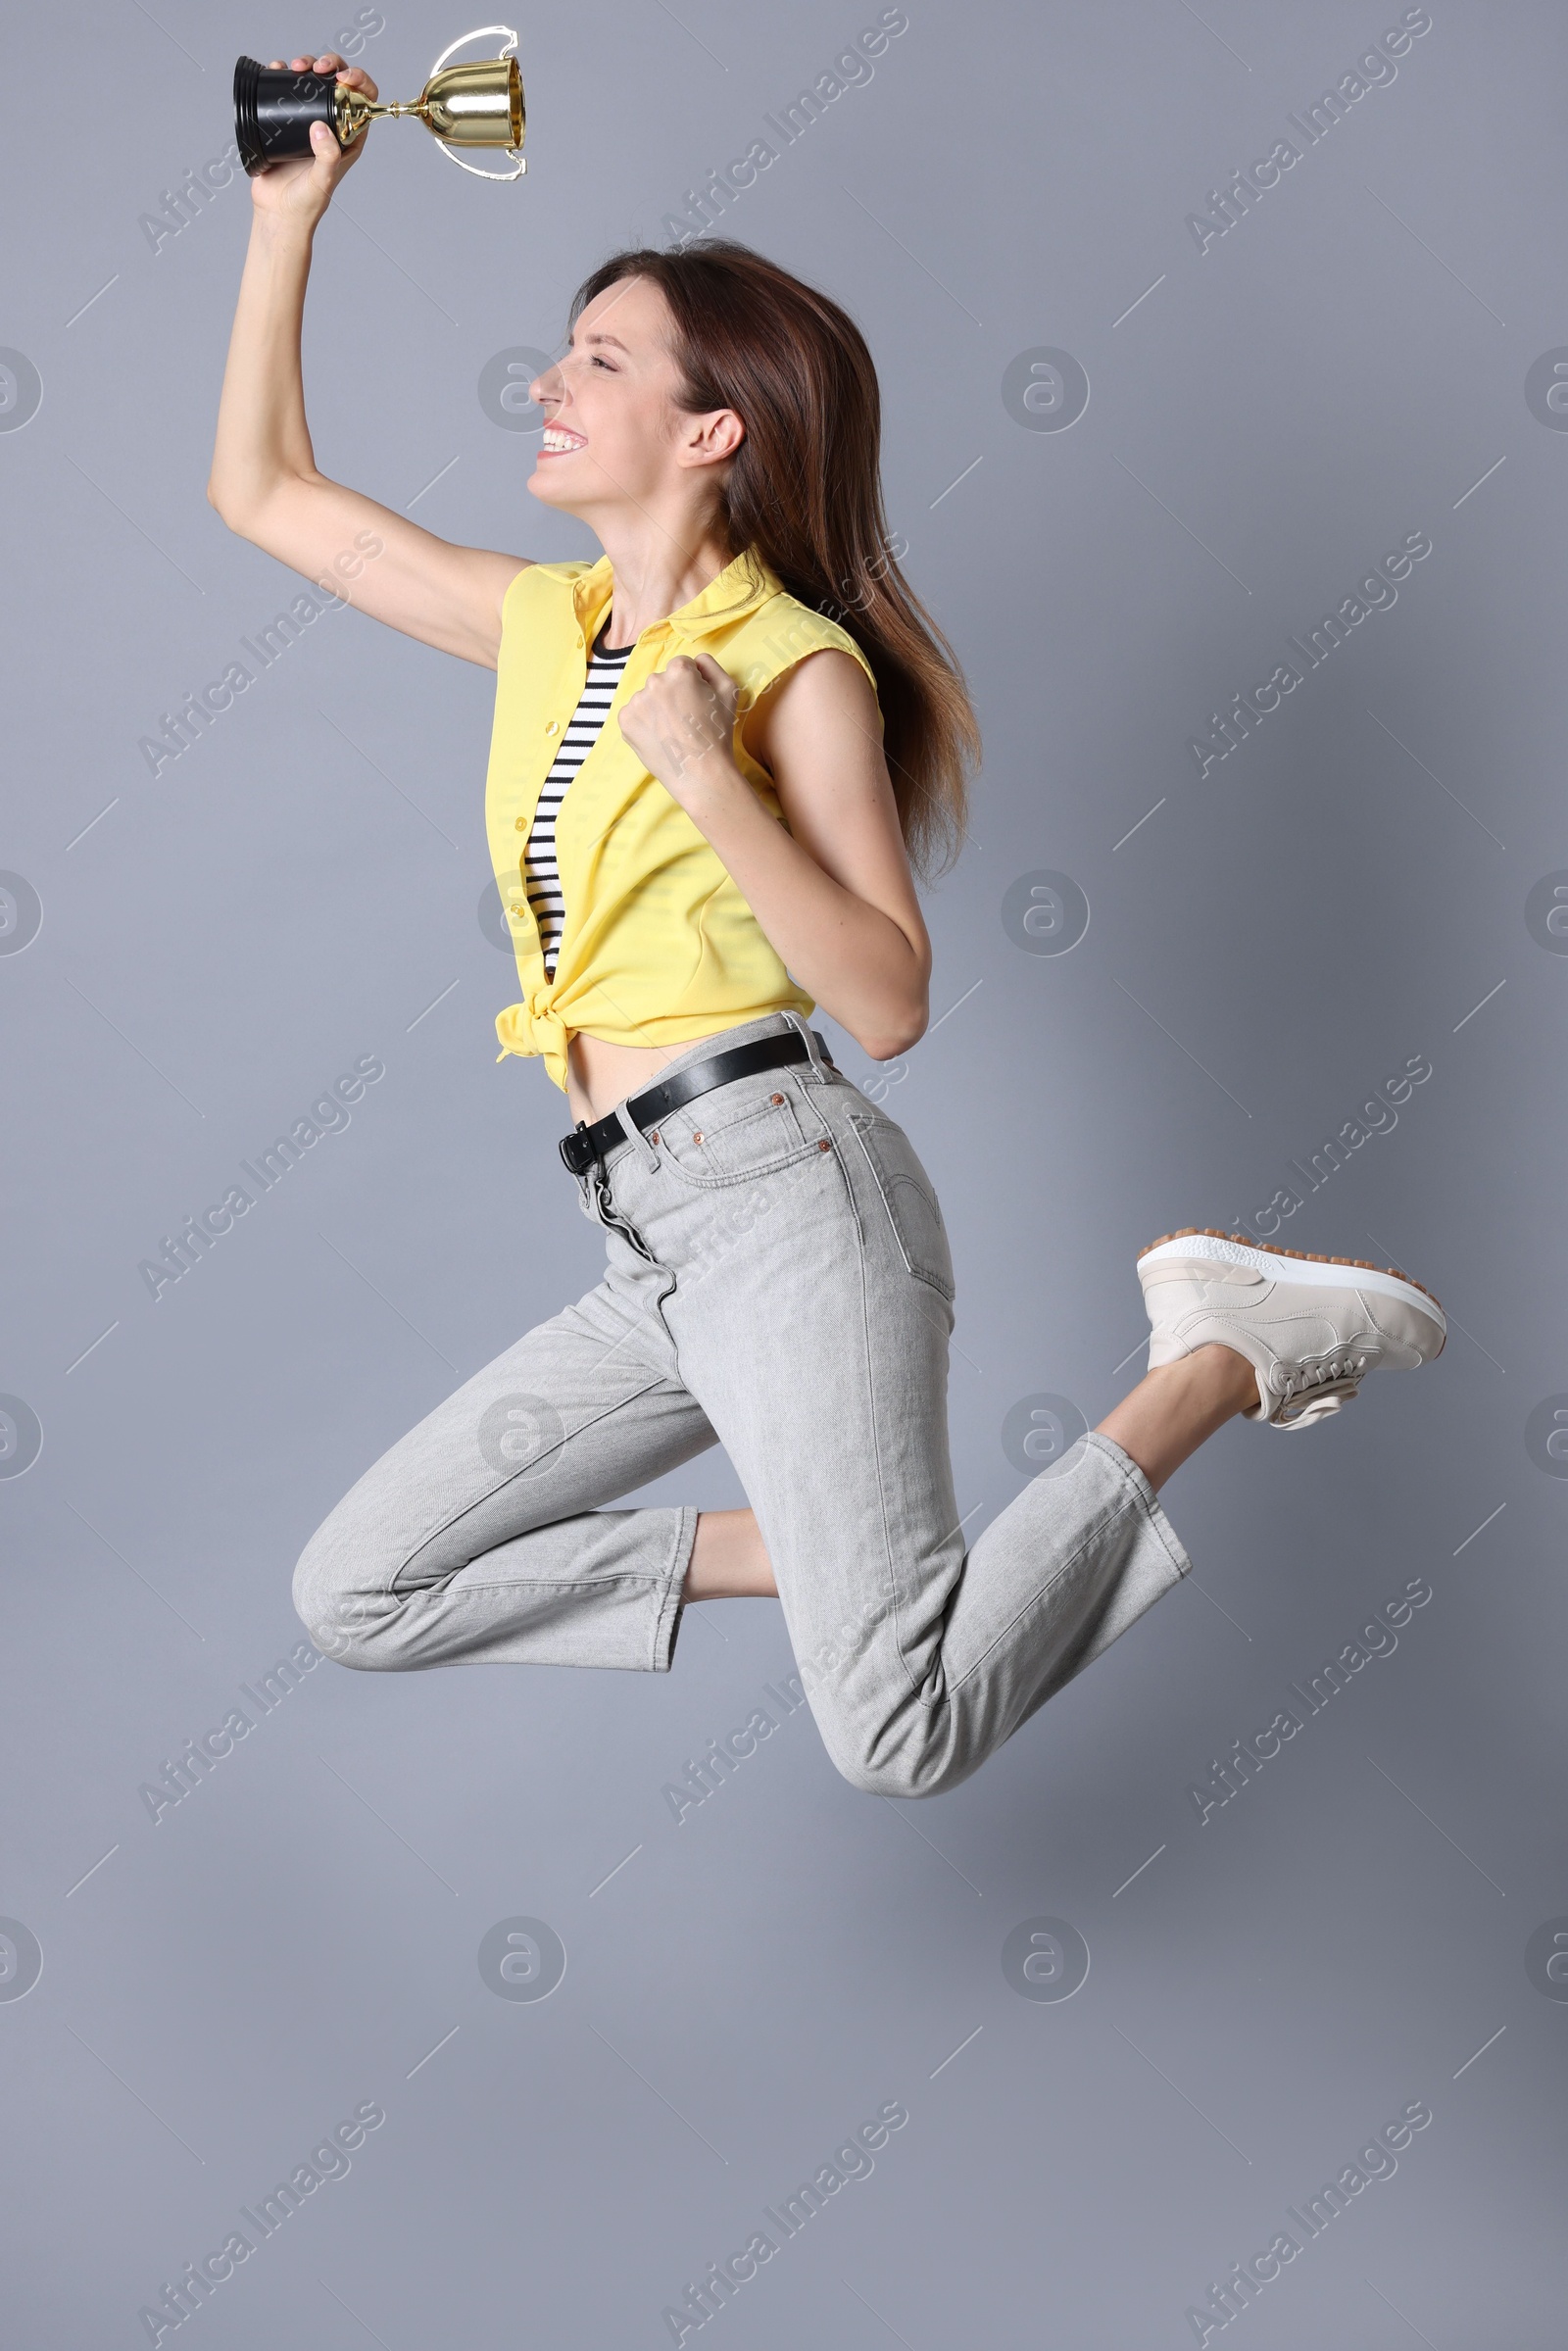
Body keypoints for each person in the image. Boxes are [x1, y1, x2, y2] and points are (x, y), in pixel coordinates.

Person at [208, 51, 1445, 1800]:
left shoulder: (795, 669)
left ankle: (1221, 1357)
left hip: (791, 1199)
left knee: (899, 1733)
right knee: (361, 1587)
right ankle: (822, 1548)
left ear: (711, 431)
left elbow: (891, 995)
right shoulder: (550, 623)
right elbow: (264, 495)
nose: (551, 380)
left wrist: (712, 775)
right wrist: (288, 219)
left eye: (603, 361)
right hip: (652, 1240)